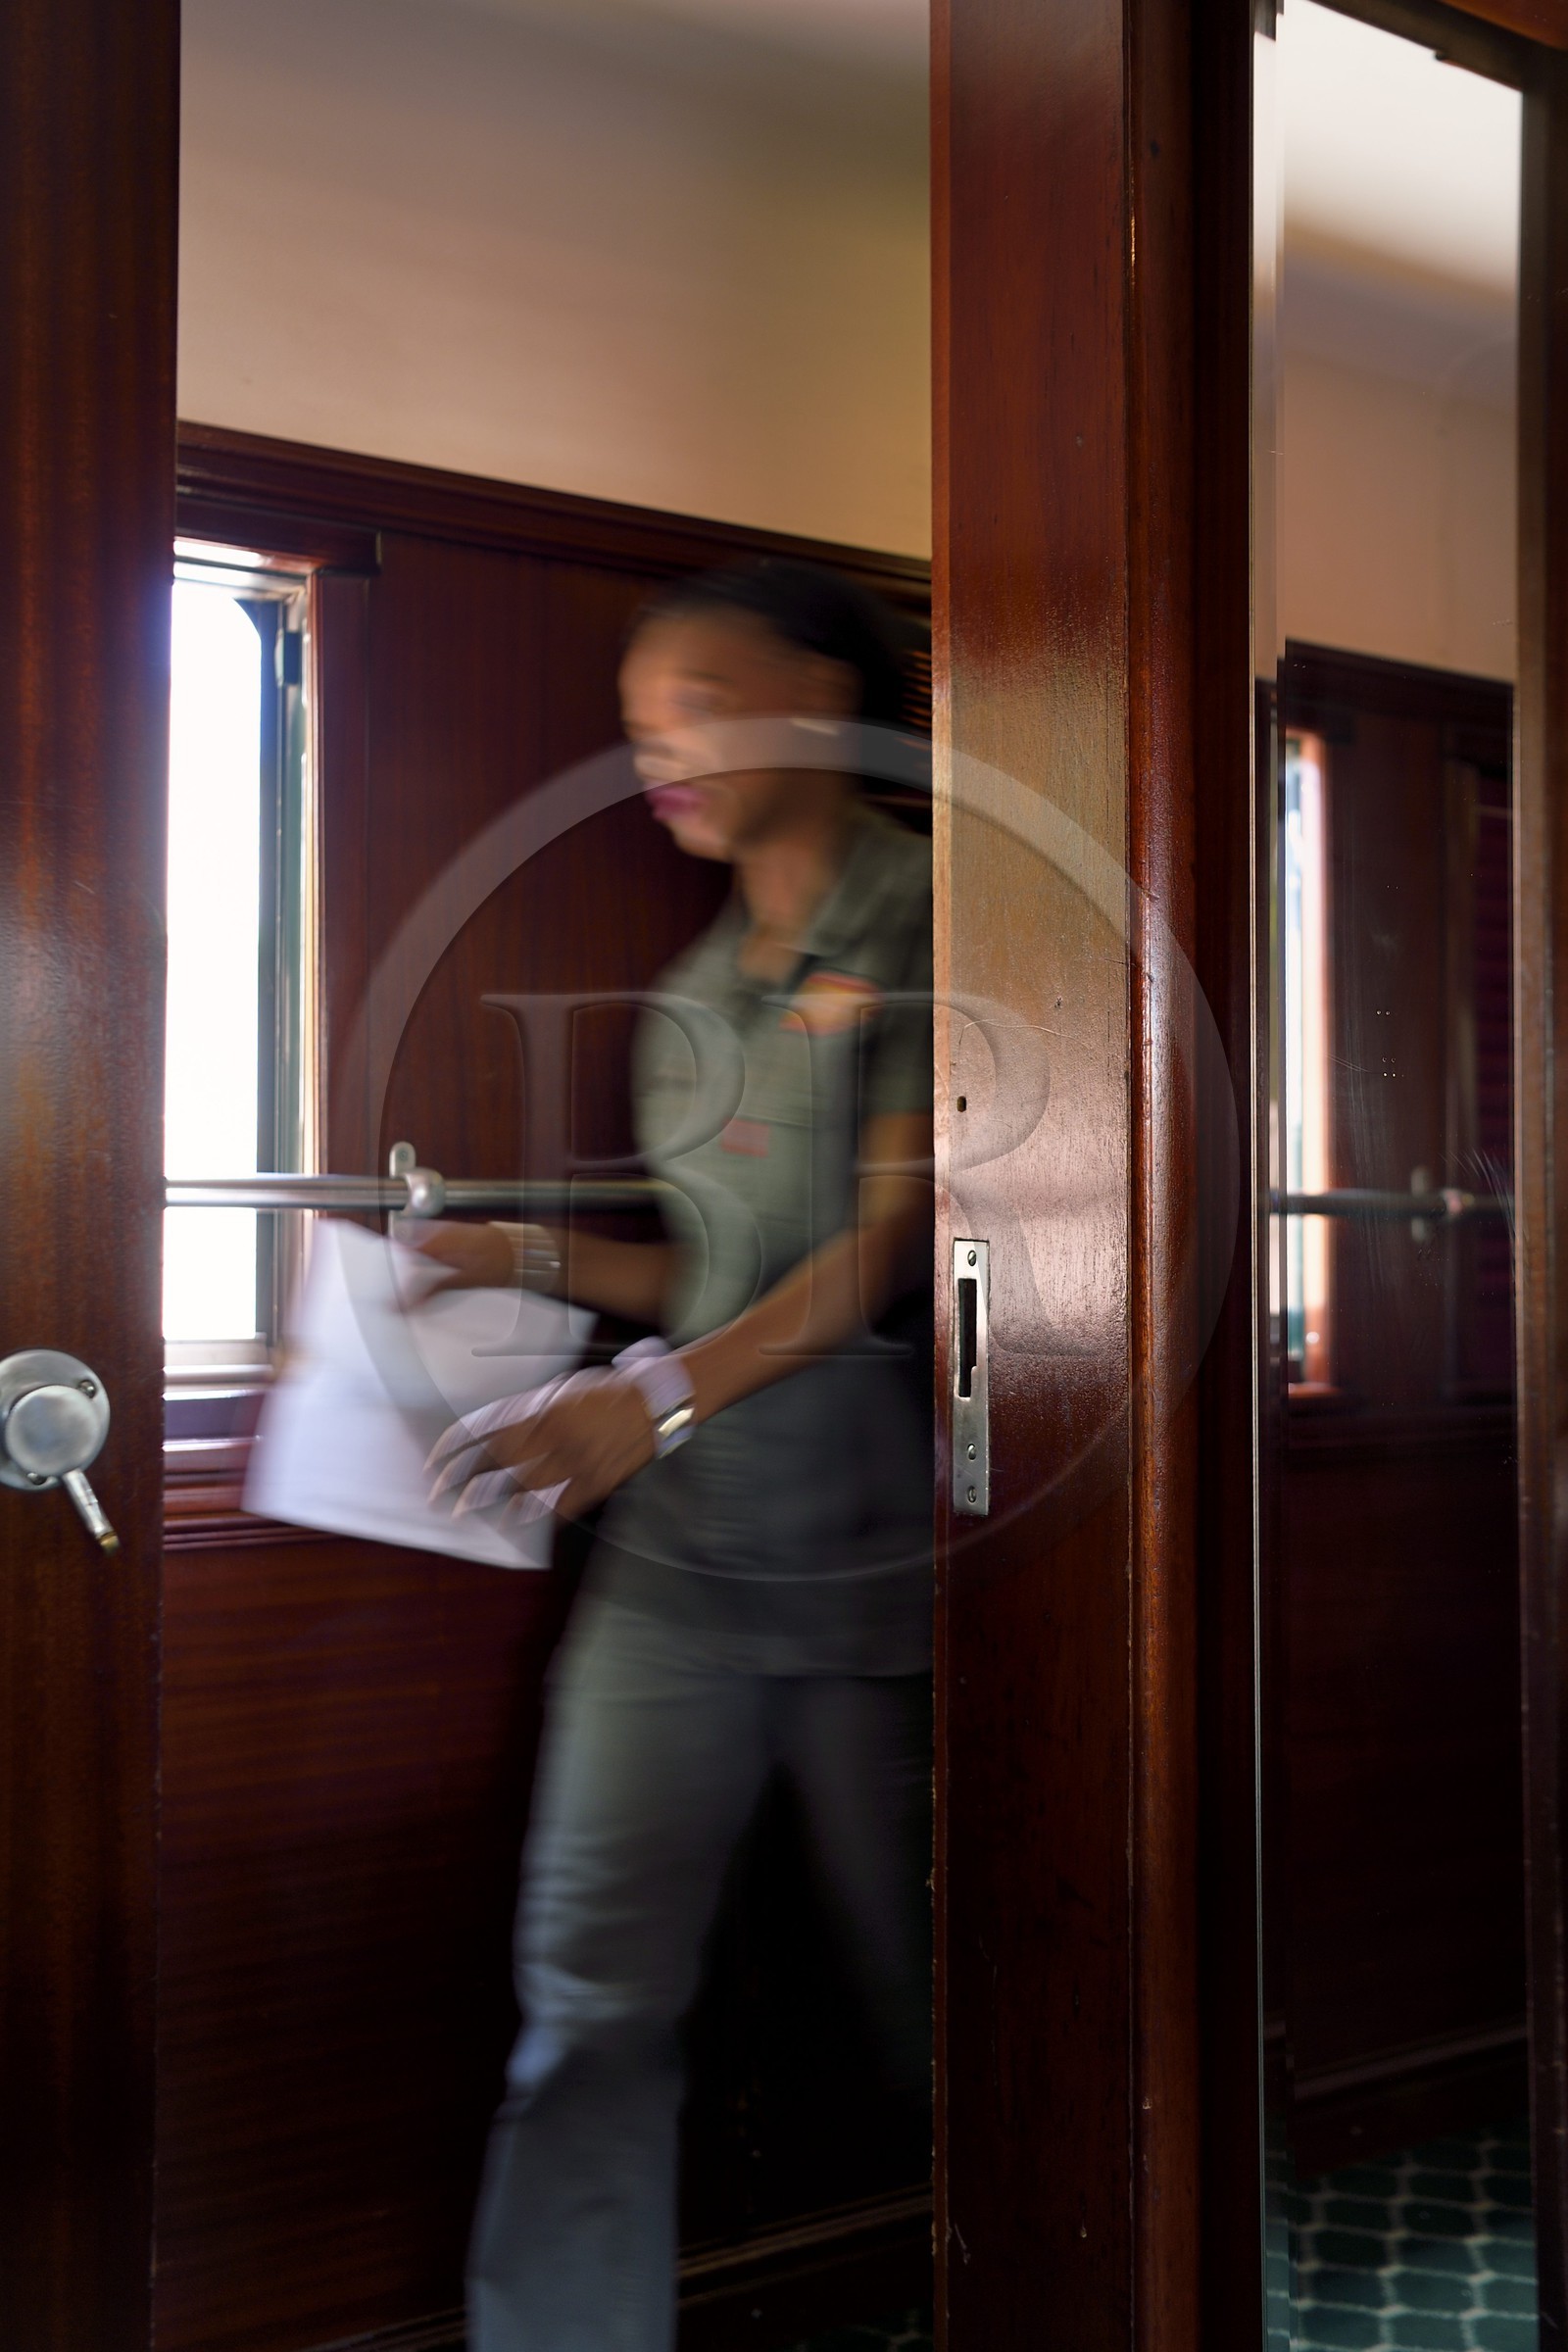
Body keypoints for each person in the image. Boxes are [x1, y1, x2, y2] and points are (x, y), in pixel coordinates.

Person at [414, 559, 934, 2352]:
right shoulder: (694, 988)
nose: (659, 759)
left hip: (889, 1580)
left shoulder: (952, 913)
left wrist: (646, 1398)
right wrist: (527, 1260)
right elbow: (710, 1274)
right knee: (587, 2004)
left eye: (695, 706)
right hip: (682, 1575)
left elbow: (883, 1258)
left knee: (954, 2008)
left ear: (819, 684)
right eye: (638, 733)